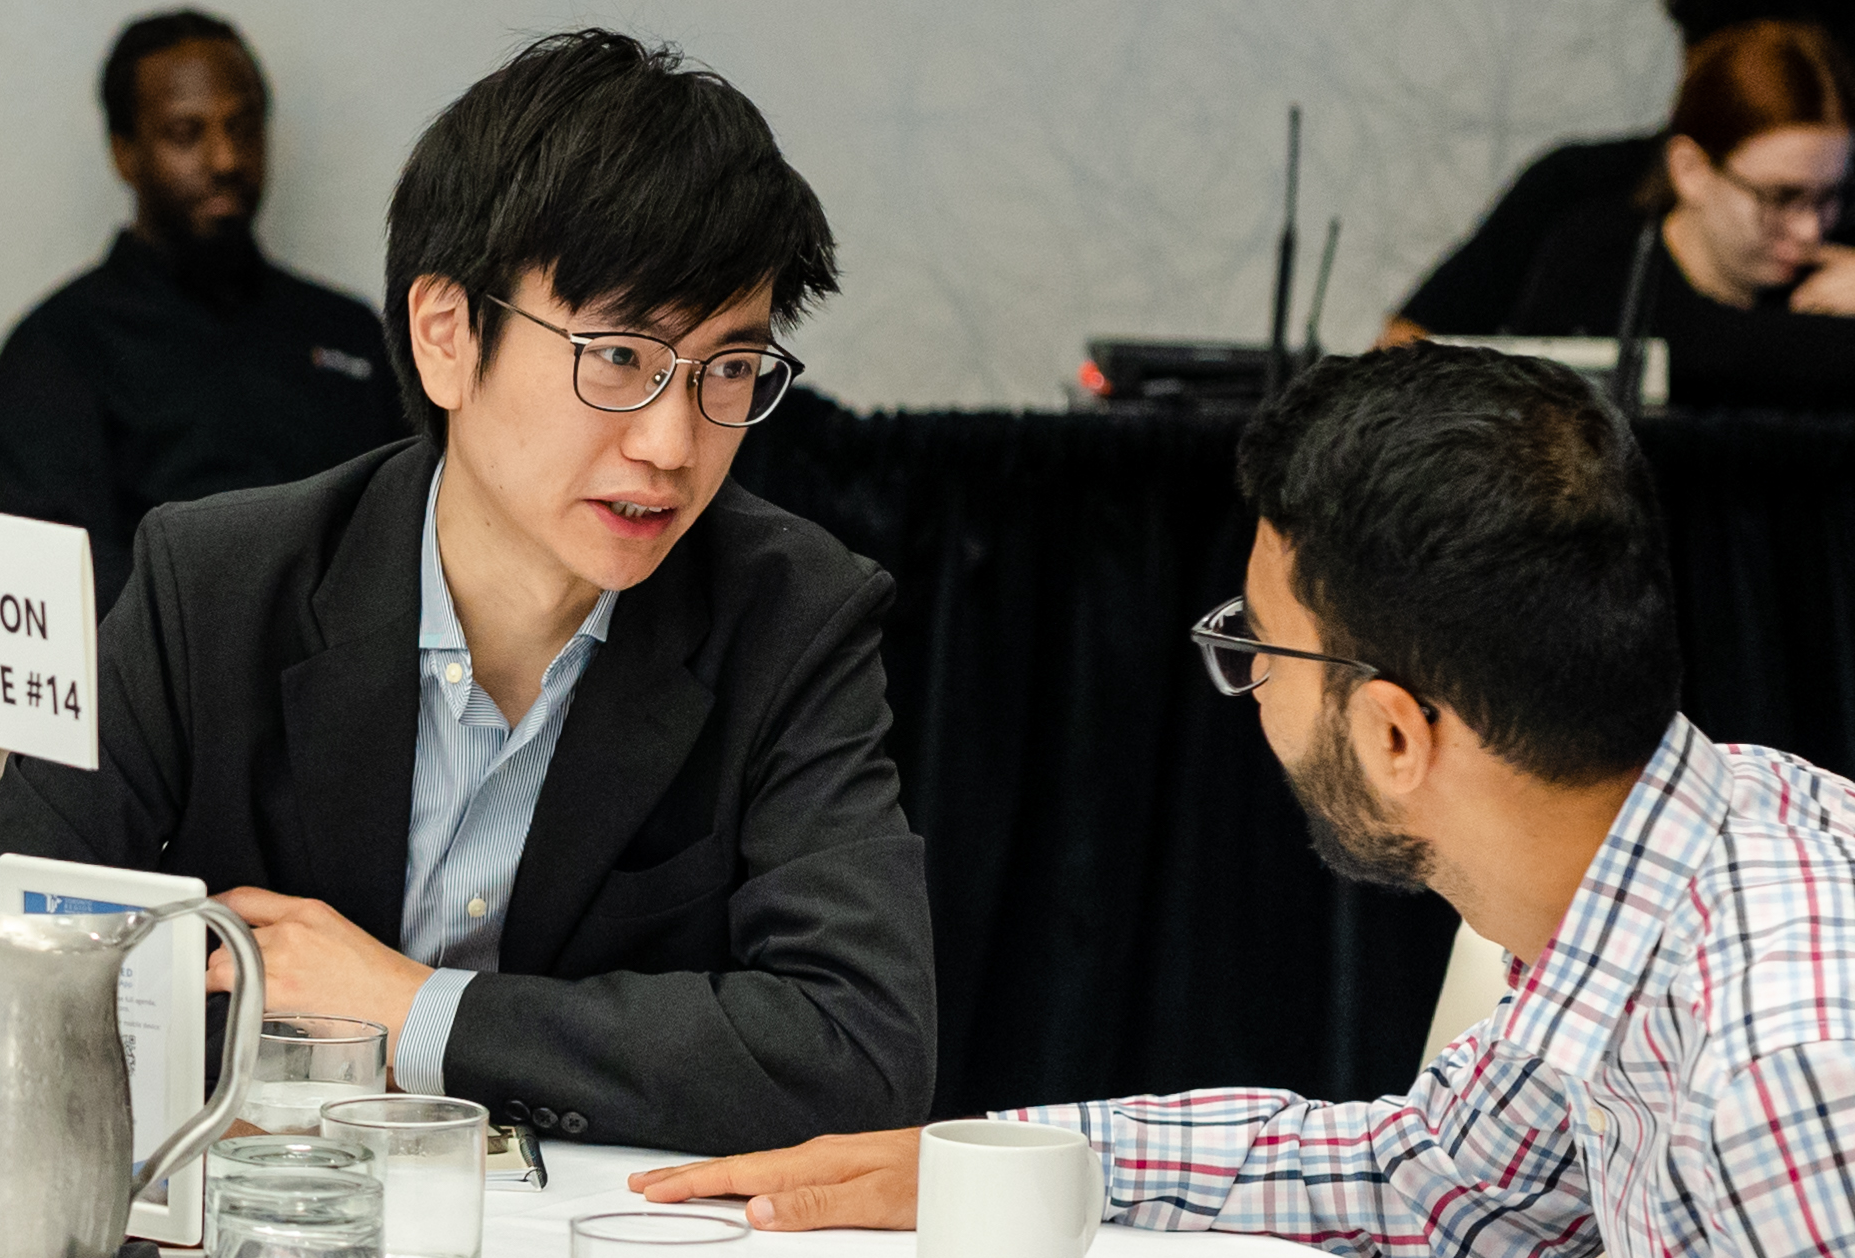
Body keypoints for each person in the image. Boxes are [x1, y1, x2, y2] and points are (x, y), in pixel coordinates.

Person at [631, 343, 1855, 1257]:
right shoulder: (1669, 869)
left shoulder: (1779, 1066)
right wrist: (989, 1165)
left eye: (1262, 647)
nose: (1249, 687)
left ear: (1391, 733)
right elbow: (1426, 1178)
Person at [0, 29, 937, 1155]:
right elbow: (28, 970)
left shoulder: (791, 617)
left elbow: (861, 1045)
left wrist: (411, 1009)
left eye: (729, 369)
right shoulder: (211, 586)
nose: (671, 443)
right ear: (446, 336)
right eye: (620, 356)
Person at [0, 10, 403, 611]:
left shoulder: (345, 331)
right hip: (159, 693)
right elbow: (62, 587)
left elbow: (410, 533)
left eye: (243, 127)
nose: (225, 160)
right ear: (125, 152)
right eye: (186, 134)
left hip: (352, 684)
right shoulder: (57, 349)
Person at [1383, 0, 1855, 347]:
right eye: (1777, 197)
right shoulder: (1579, 209)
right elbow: (1404, 348)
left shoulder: (1835, 210)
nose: (1808, 228)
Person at [1511, 20, 1855, 410]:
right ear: (1690, 170)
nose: (1810, 229)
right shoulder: (1594, 264)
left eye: (1829, 197)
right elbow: (1711, 350)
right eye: (1778, 197)